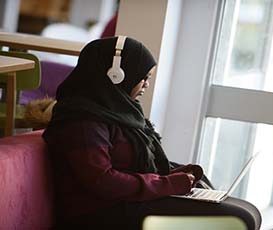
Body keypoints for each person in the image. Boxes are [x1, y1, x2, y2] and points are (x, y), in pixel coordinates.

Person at [42, 36, 261, 230]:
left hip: (127, 201)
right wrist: (170, 184)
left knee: (247, 210)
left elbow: (135, 164)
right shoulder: (83, 120)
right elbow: (103, 181)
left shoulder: (118, 111)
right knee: (241, 219)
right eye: (143, 77)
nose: (146, 84)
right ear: (115, 75)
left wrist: (181, 175)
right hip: (99, 212)